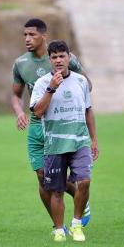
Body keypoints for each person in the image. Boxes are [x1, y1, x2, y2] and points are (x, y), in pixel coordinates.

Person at [11, 18, 92, 231]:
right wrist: (19, 111)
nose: (27, 39)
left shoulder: (66, 58)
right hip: (37, 123)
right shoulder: (20, 63)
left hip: (58, 125)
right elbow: (15, 95)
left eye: (32, 35)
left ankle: (80, 199)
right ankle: (58, 226)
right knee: (42, 178)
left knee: (55, 178)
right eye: (25, 35)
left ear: (43, 36)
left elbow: (86, 85)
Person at [30, 40, 98, 242]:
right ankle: (59, 230)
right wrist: (51, 88)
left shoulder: (81, 81)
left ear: (69, 57)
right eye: (54, 57)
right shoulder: (42, 83)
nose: (58, 60)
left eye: (62, 56)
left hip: (79, 141)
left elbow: (88, 110)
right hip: (55, 143)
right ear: (49, 60)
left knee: (84, 181)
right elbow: (38, 112)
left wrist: (94, 139)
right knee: (57, 190)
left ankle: (77, 225)